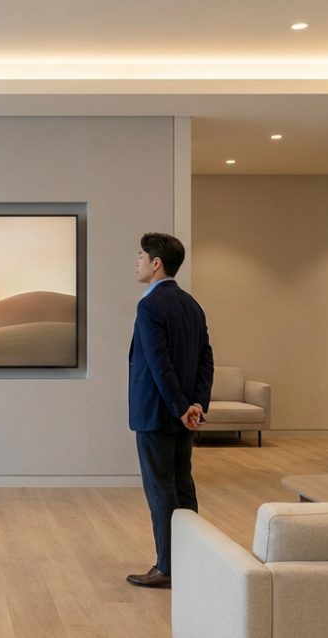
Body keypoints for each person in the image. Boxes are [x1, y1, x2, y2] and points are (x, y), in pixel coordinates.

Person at [126, 232, 213, 589]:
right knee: (183, 487)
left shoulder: (150, 306)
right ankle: (190, 561)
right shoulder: (192, 305)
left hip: (158, 413)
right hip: (182, 413)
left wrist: (180, 407)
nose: (138, 262)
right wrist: (196, 404)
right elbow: (207, 360)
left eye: (142, 256)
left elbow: (160, 364)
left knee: (161, 490)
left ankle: (167, 567)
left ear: (156, 263)